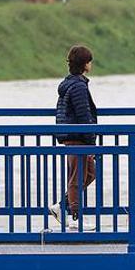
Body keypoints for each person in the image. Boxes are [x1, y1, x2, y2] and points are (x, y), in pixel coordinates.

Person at [49, 45, 98, 232]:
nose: (91, 64)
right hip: (78, 138)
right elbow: (84, 116)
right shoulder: (78, 86)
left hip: (73, 137)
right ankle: (75, 218)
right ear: (85, 64)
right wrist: (92, 143)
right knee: (78, 177)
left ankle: (61, 206)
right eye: (90, 61)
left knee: (90, 174)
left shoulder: (70, 83)